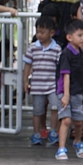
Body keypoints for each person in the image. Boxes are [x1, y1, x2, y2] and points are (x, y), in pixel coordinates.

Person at [22, 15, 62, 146]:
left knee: (55, 107)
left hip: (52, 85)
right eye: (37, 32)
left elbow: (60, 67)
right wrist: (25, 81)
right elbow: (27, 65)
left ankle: (54, 131)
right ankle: (36, 133)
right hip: (37, 85)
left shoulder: (57, 49)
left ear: (51, 33)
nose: (39, 35)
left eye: (42, 32)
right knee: (37, 111)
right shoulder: (33, 47)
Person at [56, 19, 83, 160]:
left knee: (79, 121)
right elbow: (66, 75)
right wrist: (66, 95)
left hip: (77, 91)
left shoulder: (79, 52)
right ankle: (61, 148)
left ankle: (77, 141)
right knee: (66, 120)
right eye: (79, 35)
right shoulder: (66, 54)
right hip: (66, 92)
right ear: (69, 37)